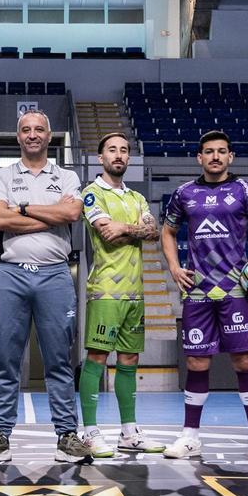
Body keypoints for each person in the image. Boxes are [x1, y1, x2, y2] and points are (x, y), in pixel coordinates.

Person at [160, 130, 248, 462]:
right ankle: (190, 438)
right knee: (196, 362)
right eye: (208, 152)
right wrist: (174, 267)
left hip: (235, 290)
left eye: (221, 152)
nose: (215, 157)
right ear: (199, 158)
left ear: (230, 157)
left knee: (244, 361)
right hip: (198, 292)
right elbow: (168, 231)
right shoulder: (183, 193)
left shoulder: (245, 189)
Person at [0, 110, 91, 464]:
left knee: (59, 358)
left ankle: (67, 436)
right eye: (25, 130)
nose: (32, 135)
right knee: (5, 360)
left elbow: (71, 215)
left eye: (39, 129)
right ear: (17, 137)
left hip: (56, 273)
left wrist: (23, 208)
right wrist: (48, 215)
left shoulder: (68, 176)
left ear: (50, 135)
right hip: (10, 274)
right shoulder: (0, 174)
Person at [79, 133, 164, 458]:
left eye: (124, 150)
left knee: (129, 360)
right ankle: (90, 432)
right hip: (105, 290)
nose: (119, 155)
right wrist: (135, 229)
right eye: (112, 150)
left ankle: (129, 432)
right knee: (97, 359)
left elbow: (152, 231)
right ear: (101, 158)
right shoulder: (91, 194)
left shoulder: (137, 198)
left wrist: (126, 227)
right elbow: (106, 232)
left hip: (135, 293)